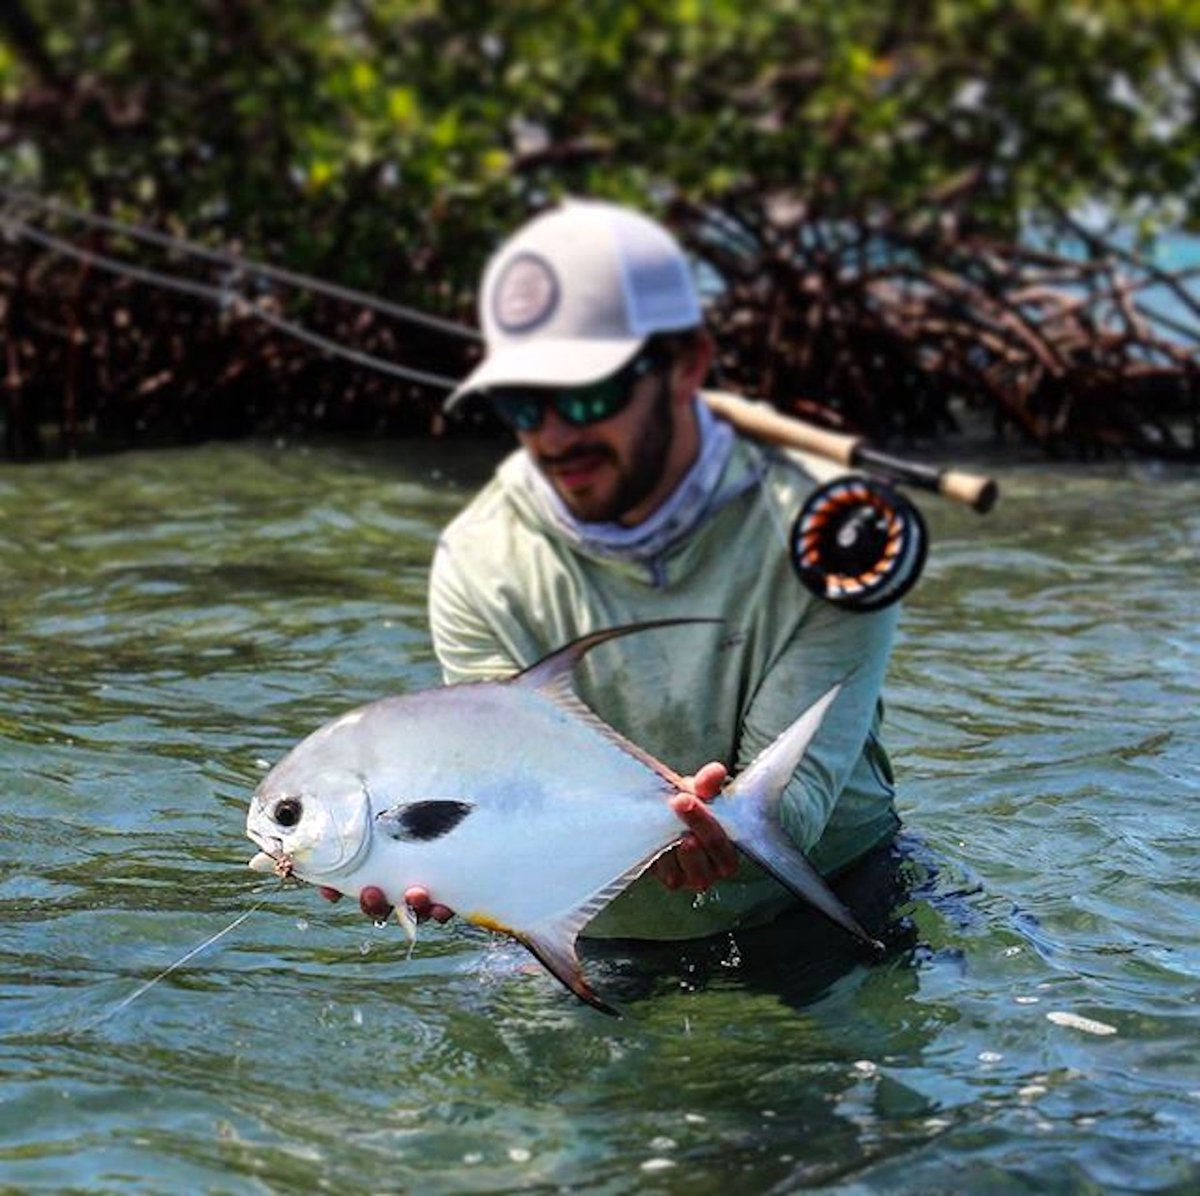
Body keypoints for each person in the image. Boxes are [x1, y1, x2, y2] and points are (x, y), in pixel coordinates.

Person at [356, 198, 900, 941]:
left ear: (686, 368)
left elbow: (793, 808)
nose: (554, 436)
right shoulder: (479, 559)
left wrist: (716, 830)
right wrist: (432, 863)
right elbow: (490, 788)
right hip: (591, 932)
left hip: (827, 898)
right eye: (521, 401)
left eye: (589, 392)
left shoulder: (835, 535)